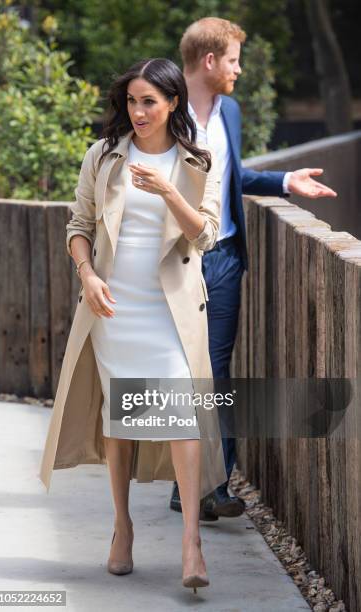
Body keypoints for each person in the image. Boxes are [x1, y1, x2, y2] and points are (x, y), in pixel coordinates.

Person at [39, 57, 228, 593]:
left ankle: (192, 540)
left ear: (173, 103)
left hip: (171, 311)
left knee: (183, 418)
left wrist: (168, 190)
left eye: (150, 101)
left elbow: (205, 236)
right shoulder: (103, 155)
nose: (139, 111)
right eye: (131, 101)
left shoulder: (197, 162)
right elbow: (78, 225)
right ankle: (122, 527)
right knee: (120, 423)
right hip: (115, 308)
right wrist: (88, 276)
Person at [170, 17, 337, 520]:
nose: (239, 70)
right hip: (173, 260)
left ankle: (212, 485)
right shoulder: (160, 108)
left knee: (216, 371)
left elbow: (231, 175)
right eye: (235, 60)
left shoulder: (232, 111)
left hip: (223, 256)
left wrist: (286, 180)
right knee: (179, 372)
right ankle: (182, 481)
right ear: (210, 61)